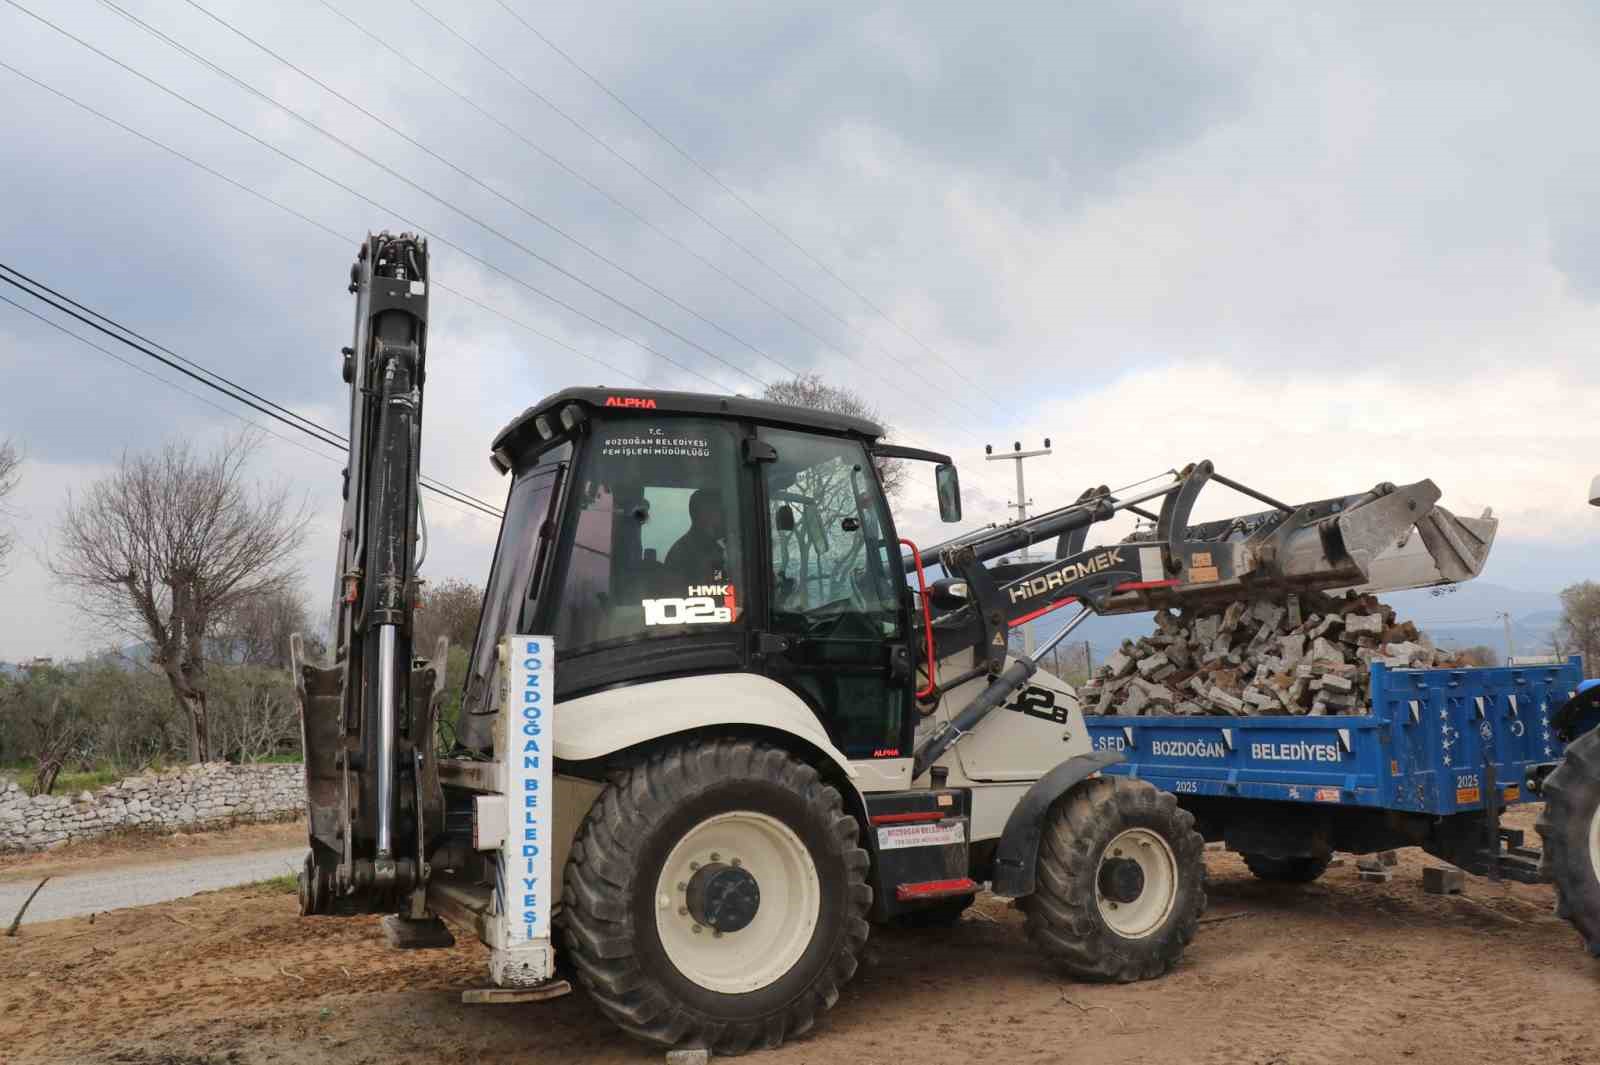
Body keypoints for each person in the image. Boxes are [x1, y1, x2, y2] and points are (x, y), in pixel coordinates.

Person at [667, 489, 725, 583]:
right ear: (705, 514)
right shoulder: (682, 552)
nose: (722, 516)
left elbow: (719, 582)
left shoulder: (715, 548)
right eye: (718, 511)